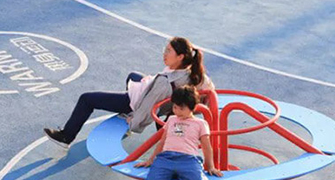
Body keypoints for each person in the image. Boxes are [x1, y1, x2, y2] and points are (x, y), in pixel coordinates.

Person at [44, 37, 214, 148]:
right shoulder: (195, 74)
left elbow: (148, 105)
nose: (164, 54)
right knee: (132, 76)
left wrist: (133, 122)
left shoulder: (165, 83)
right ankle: (131, 106)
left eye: (168, 51)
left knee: (86, 99)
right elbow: (209, 90)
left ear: (180, 57)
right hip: (156, 95)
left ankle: (66, 137)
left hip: (137, 101)